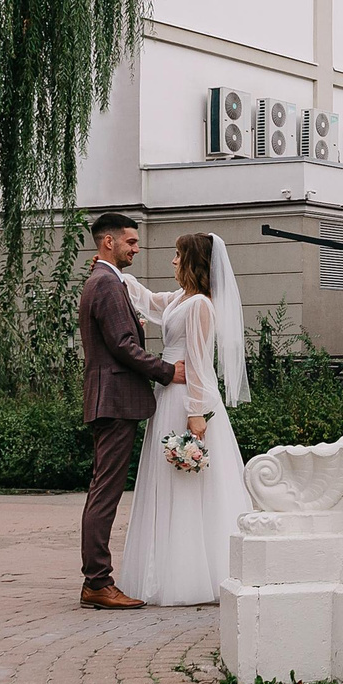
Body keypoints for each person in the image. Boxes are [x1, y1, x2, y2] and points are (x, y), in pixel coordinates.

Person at [113, 232, 254, 607]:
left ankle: (198, 575)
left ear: (193, 261)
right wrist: (117, 275)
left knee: (191, 487)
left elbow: (198, 362)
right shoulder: (180, 299)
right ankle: (169, 570)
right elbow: (150, 300)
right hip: (167, 397)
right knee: (169, 484)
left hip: (187, 400)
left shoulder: (201, 306)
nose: (173, 261)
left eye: (178, 255)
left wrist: (196, 413)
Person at [78, 211, 182, 609]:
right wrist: (167, 371)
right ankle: (97, 583)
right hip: (115, 399)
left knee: (103, 489)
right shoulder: (106, 283)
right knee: (105, 492)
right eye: (131, 242)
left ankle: (96, 581)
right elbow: (123, 345)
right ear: (109, 242)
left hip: (111, 397)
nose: (137, 249)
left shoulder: (106, 280)